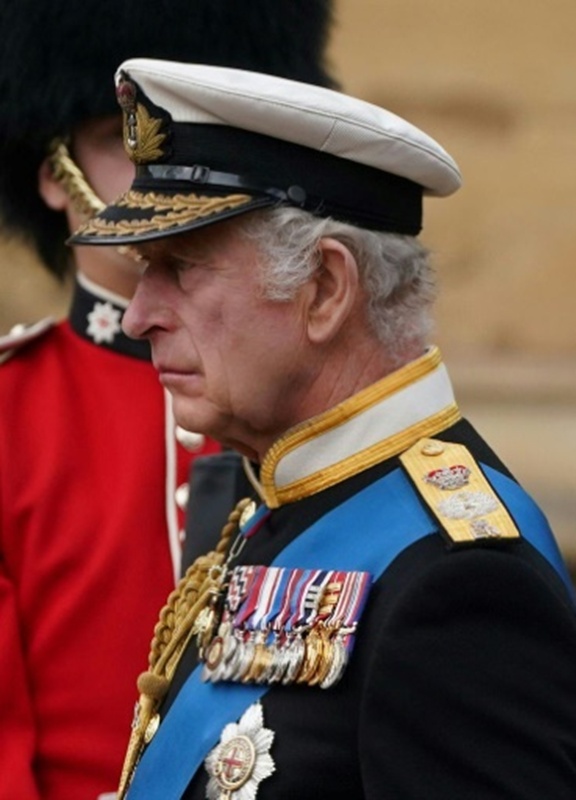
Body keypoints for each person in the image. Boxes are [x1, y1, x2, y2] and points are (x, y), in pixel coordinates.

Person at [70, 58, 576, 799]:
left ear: (324, 288)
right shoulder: (286, 500)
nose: (139, 316)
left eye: (182, 268)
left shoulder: (464, 584)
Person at [0, 4, 335, 799]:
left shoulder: (310, 394)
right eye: (126, 140)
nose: (168, 172)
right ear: (53, 174)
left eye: (195, 137)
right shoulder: (12, 417)